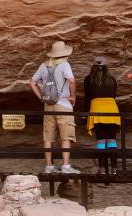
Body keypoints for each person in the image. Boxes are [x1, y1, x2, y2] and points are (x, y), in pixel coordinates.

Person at [29, 40, 80, 174]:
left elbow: (32, 82)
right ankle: (65, 166)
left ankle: (49, 166)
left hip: (48, 105)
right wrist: (73, 96)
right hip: (63, 104)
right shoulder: (65, 65)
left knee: (48, 136)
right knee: (66, 136)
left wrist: (41, 98)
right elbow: (72, 80)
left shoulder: (44, 66)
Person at [83, 56, 121, 173]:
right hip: (112, 110)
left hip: (97, 109)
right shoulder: (112, 80)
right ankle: (114, 168)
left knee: (101, 140)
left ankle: (102, 168)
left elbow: (87, 98)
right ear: (106, 68)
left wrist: (86, 113)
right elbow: (113, 96)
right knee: (112, 140)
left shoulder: (88, 79)